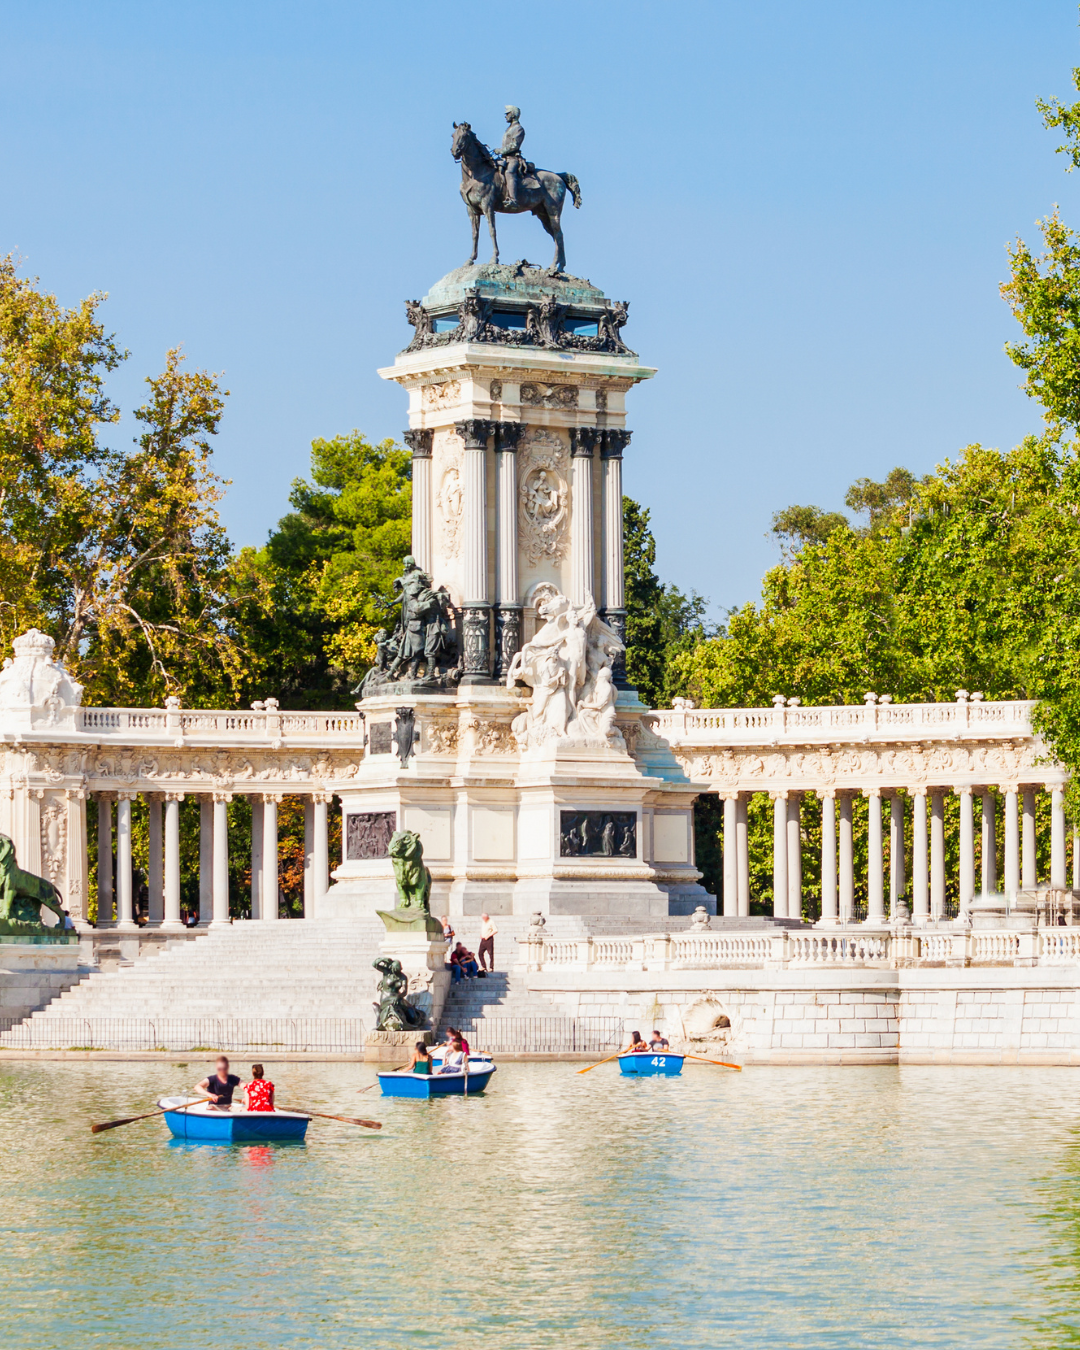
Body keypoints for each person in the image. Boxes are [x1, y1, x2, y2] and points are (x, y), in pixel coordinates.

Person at [500, 104, 525, 208]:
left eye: (507, 113)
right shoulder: (509, 128)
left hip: (513, 158)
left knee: (509, 172)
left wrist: (501, 150)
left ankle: (513, 199)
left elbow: (514, 145)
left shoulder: (518, 129)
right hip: (505, 158)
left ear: (513, 115)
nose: (505, 116)